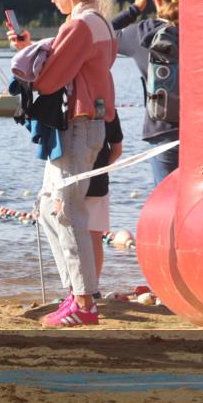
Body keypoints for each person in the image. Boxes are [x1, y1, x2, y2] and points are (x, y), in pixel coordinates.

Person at [7, 0, 118, 329]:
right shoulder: (98, 22)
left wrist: (28, 58)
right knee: (50, 208)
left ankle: (83, 301)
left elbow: (48, 81)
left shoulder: (81, 25)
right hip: (89, 126)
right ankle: (77, 293)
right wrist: (34, 47)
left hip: (78, 127)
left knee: (67, 212)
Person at [111, 0, 180, 186]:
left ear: (156, 0)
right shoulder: (201, 28)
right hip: (199, 127)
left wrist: (134, 10)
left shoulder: (142, 32)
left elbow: (102, 33)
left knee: (168, 198)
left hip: (162, 129)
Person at [86, 113, 123, 289]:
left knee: (74, 236)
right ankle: (92, 288)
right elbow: (117, 150)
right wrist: (101, 168)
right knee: (94, 237)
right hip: (98, 179)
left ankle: (78, 287)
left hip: (74, 177)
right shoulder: (108, 108)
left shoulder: (66, 100)